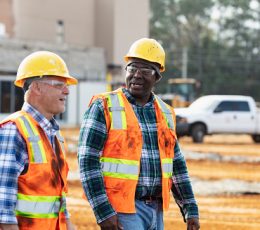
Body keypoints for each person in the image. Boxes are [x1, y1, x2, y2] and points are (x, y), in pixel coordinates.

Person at [78, 38, 200, 230]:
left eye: (145, 70)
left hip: (156, 210)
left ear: (157, 77)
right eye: (132, 68)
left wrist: (190, 207)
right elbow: (87, 160)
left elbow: (176, 163)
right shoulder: (104, 106)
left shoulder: (166, 112)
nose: (136, 75)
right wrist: (103, 211)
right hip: (122, 210)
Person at [0, 51, 78, 230]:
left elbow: (60, 202)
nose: (66, 91)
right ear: (36, 87)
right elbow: (3, 213)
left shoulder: (54, 135)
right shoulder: (13, 130)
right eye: (59, 85)